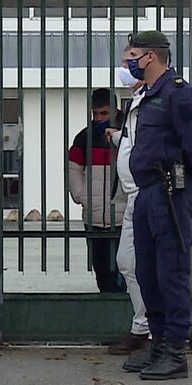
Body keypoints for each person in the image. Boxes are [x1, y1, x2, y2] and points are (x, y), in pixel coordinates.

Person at [121, 31, 192, 380]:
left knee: (171, 271)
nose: (128, 62)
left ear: (151, 57)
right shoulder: (148, 96)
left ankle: (175, 350)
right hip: (147, 191)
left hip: (171, 191)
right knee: (147, 272)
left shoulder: (180, 94)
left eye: (133, 54)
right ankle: (158, 343)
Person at [104, 53, 150, 355]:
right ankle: (142, 326)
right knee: (127, 263)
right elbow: (138, 142)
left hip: (149, 194)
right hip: (134, 196)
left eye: (129, 60)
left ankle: (150, 331)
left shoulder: (156, 99)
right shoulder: (136, 100)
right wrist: (119, 138)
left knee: (149, 266)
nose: (124, 67)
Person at [67, 88, 126, 294]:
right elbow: (73, 168)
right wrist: (80, 196)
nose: (98, 118)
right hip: (93, 216)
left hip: (123, 216)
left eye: (103, 113)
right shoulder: (84, 137)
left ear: (115, 111)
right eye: (95, 114)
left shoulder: (127, 135)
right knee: (101, 270)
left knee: (124, 269)